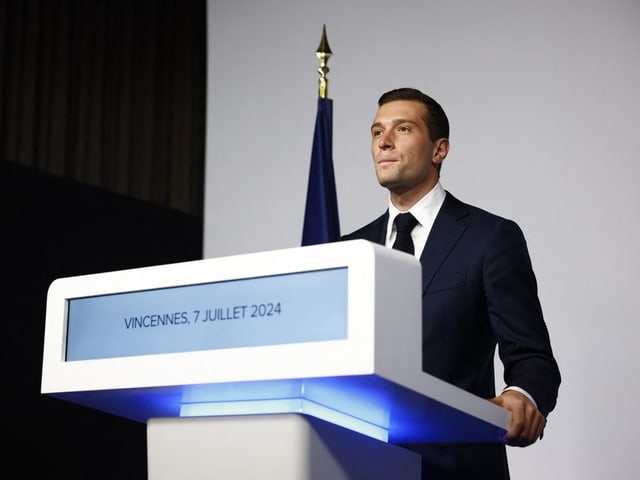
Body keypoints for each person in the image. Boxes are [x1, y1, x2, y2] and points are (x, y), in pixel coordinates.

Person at [340, 87, 561, 479]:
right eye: (376, 132)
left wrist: (520, 396)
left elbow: (533, 359)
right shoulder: (345, 251)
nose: (384, 142)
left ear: (439, 149)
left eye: (402, 129)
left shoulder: (489, 237)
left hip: (458, 467)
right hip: (355, 462)